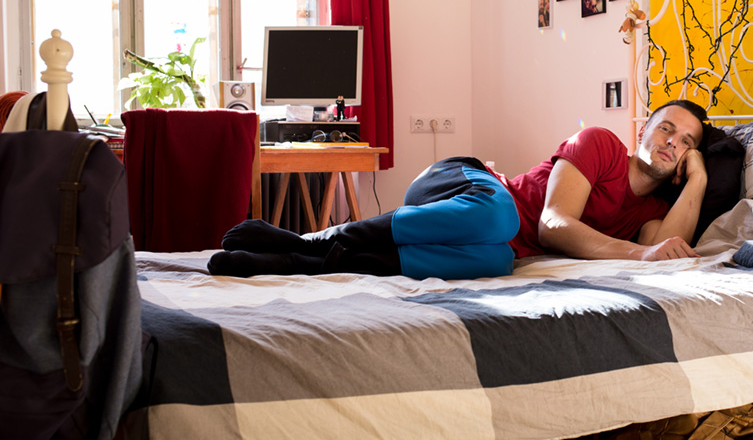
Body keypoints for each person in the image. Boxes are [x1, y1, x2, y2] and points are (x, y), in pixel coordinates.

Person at [207, 100, 708, 280]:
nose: (673, 142)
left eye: (687, 142)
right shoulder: (598, 143)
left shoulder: (652, 208)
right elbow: (553, 226)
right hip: (464, 184)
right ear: (643, 129)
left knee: (495, 261)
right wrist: (640, 255)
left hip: (485, 239)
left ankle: (294, 262)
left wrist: (700, 179)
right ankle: (312, 238)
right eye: (666, 128)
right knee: (501, 217)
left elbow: (667, 248)